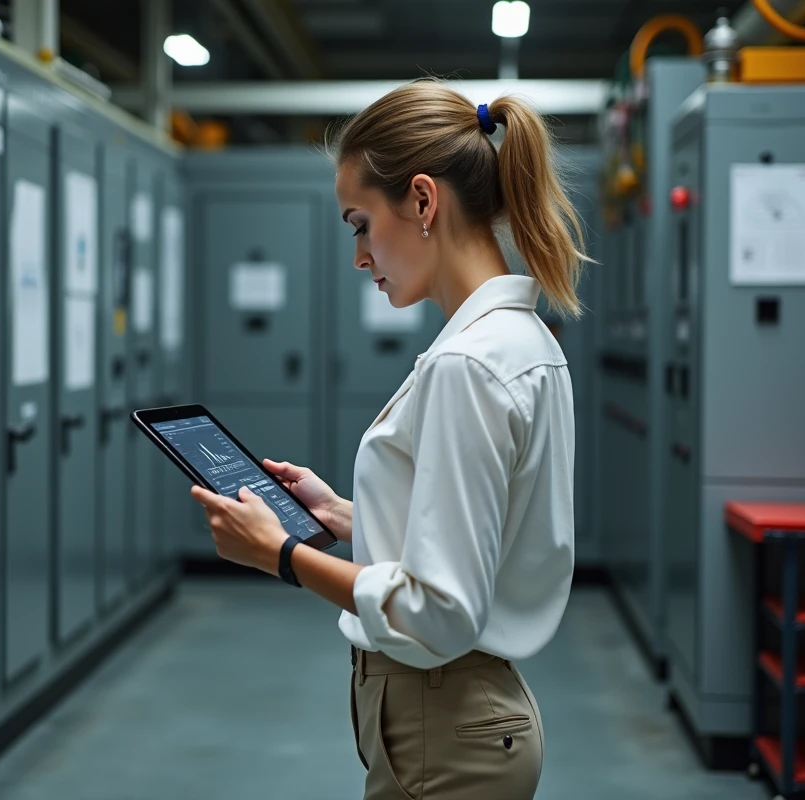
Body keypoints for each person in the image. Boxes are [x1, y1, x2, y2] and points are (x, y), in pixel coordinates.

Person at [189, 78, 585, 800]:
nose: (359, 256)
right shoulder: (520, 341)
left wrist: (281, 555)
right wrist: (346, 516)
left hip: (446, 724)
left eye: (359, 224)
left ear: (424, 202)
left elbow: (441, 609)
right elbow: (481, 538)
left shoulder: (468, 364)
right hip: (463, 721)